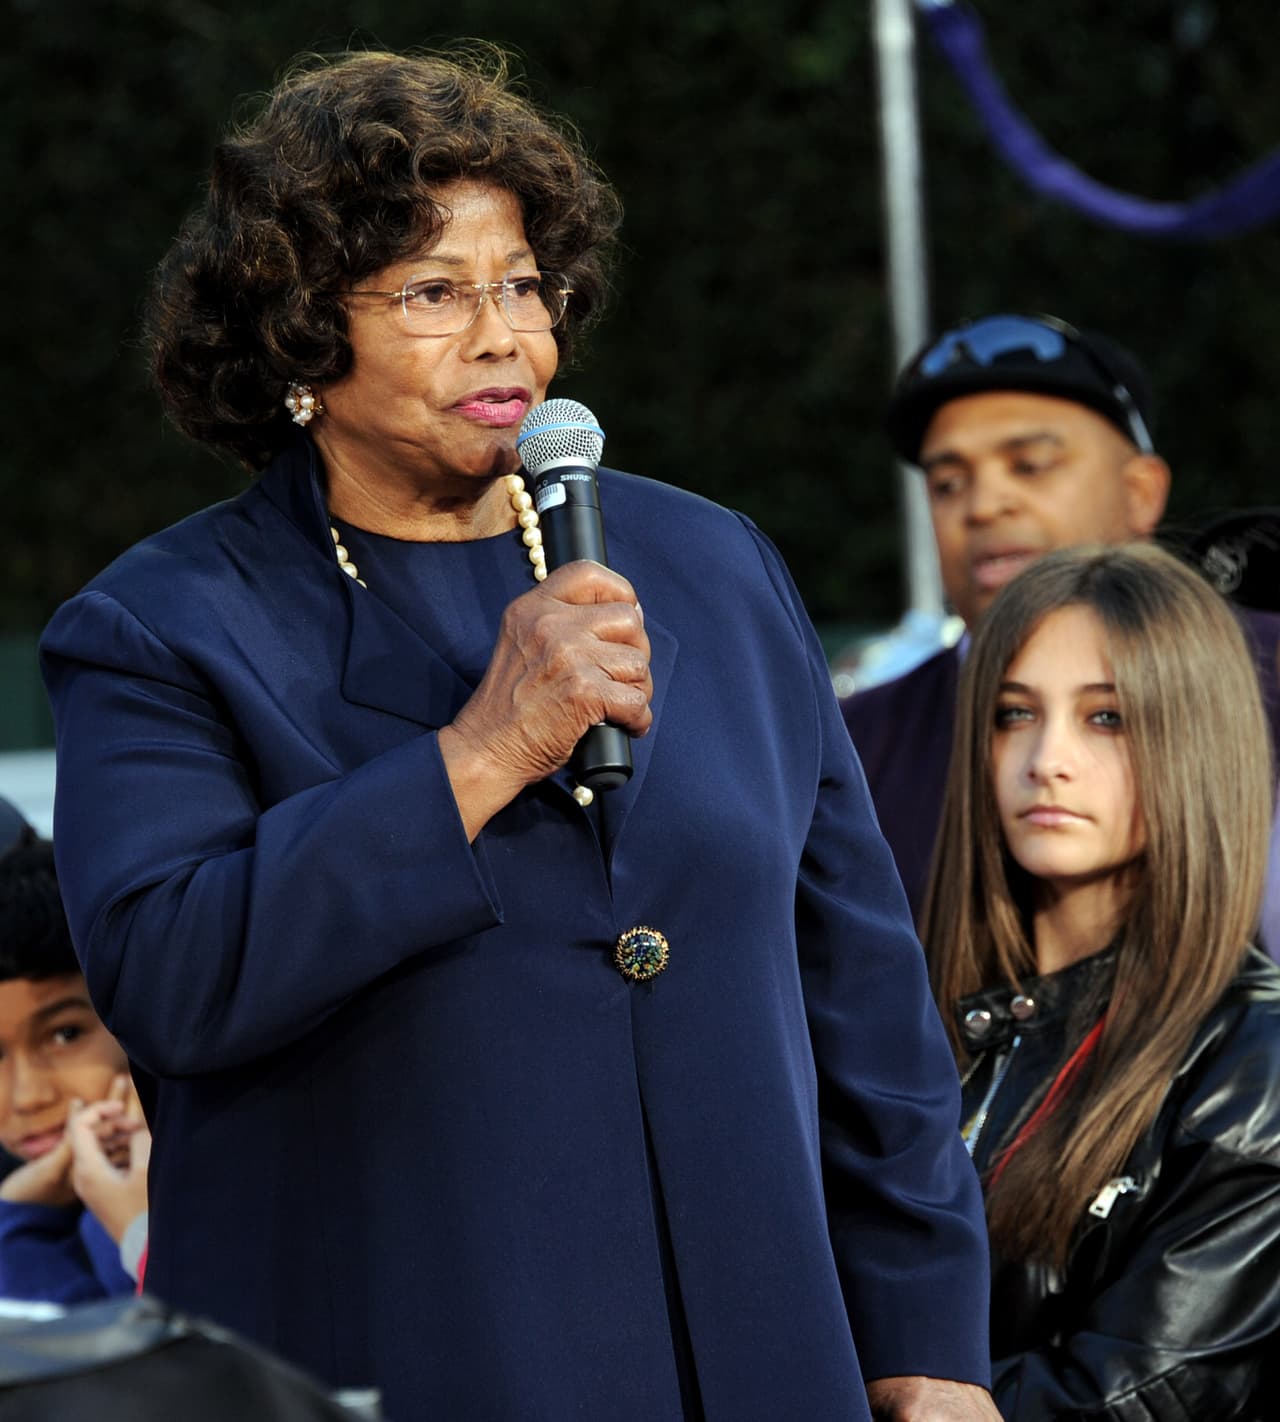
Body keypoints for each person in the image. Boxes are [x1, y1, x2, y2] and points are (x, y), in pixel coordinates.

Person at [39, 49, 999, 1421]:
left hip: (763, 1350)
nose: (503, 338)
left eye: (522, 285)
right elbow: (173, 973)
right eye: (435, 292)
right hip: (410, 1355)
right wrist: (480, 753)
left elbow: (858, 981)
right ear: (299, 335)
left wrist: (929, 1339)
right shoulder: (166, 626)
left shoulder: (709, 563)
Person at [920, 542, 1280, 1418]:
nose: (1047, 758)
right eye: (1013, 714)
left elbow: (1141, 1394)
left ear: (1194, 739)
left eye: (1105, 719)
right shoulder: (895, 1010)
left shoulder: (1252, 1064)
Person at [842, 313, 1280, 923]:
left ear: (1142, 494)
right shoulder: (850, 747)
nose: (985, 504)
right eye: (947, 483)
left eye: (1031, 465)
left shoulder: (1269, 677)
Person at [0, 835, 149, 1302]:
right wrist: (22, 1216)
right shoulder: (41, 1200)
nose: (28, 1096)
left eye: (65, 1035)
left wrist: (138, 1232)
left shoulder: (209, 1195)